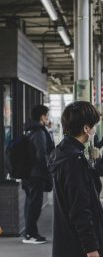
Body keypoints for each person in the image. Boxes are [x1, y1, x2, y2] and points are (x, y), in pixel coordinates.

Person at [48, 101, 103, 257]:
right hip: (79, 246)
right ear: (86, 129)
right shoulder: (74, 161)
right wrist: (91, 248)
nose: (94, 130)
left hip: (67, 241)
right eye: (93, 126)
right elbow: (80, 208)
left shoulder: (61, 152)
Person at [22, 105, 55, 244]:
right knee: (34, 204)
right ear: (42, 116)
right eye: (47, 115)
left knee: (30, 203)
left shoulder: (31, 130)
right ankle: (30, 234)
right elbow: (42, 155)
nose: (48, 117)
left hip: (29, 173)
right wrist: (49, 171)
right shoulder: (39, 133)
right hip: (36, 175)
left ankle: (30, 233)